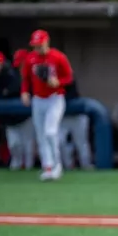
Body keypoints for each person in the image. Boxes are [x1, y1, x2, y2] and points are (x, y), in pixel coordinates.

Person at [21, 29, 74, 181]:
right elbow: (25, 78)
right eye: (35, 45)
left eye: (40, 44)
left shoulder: (58, 57)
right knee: (40, 134)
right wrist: (24, 92)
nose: (37, 48)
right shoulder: (30, 58)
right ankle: (47, 166)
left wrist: (58, 82)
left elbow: (69, 77)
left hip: (55, 98)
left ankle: (57, 165)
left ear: (46, 42)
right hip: (38, 99)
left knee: (50, 132)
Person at [0, 51, 33, 170]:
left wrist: (3, 93)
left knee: (28, 147)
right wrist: (2, 93)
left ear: (1, 64)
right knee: (14, 145)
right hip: (8, 119)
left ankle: (29, 168)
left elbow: (13, 90)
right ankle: (15, 168)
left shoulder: (11, 73)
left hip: (24, 116)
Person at [59, 79, 93, 170]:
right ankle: (68, 165)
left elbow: (70, 93)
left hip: (78, 116)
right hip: (63, 117)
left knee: (81, 142)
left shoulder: (68, 79)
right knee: (60, 141)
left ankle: (85, 165)